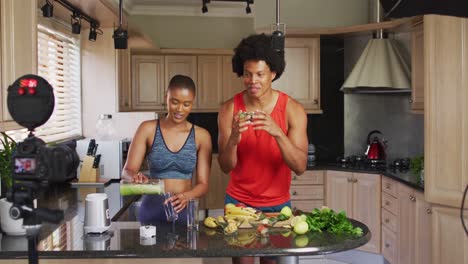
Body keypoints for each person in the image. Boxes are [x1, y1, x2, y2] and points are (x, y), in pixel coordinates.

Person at [218, 34, 308, 264]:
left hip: (278, 205)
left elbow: (300, 166)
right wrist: (234, 139)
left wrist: (277, 132)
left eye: (260, 74)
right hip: (239, 203)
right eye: (247, 74)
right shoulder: (229, 109)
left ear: (273, 74)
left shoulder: (292, 110)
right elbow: (226, 167)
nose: (252, 81)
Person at [122, 74, 212, 223]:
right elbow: (127, 171)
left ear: (193, 103)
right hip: (152, 208)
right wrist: (135, 177)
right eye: (175, 102)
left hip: (183, 208)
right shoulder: (147, 129)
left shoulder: (202, 136)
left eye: (186, 104)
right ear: (166, 97)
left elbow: (203, 184)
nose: (180, 109)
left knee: (184, 246)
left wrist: (187, 196)